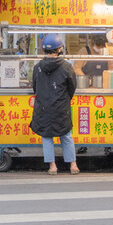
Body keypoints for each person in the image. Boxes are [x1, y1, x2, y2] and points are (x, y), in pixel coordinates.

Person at [30, 34, 79, 175]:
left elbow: (35, 88)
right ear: (59, 49)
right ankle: (73, 165)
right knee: (66, 135)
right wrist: (63, 99)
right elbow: (72, 87)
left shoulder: (37, 67)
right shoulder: (67, 67)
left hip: (43, 107)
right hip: (61, 107)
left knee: (47, 137)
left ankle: (52, 166)